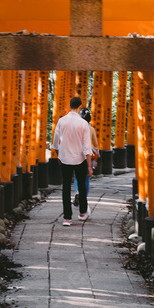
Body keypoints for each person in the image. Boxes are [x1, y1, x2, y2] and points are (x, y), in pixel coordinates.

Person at [51, 95, 92, 226]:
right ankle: (81, 212)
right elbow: (87, 146)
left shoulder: (62, 121)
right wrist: (90, 166)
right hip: (79, 158)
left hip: (65, 158)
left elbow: (55, 141)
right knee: (81, 185)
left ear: (70, 106)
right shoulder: (84, 123)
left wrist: (58, 155)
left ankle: (67, 218)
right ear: (79, 107)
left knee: (66, 187)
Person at [73, 108, 100, 207]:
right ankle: (83, 198)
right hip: (89, 155)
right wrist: (96, 159)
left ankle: (77, 192)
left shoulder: (76, 128)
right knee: (86, 179)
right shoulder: (91, 129)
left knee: (77, 177)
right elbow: (96, 146)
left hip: (77, 155)